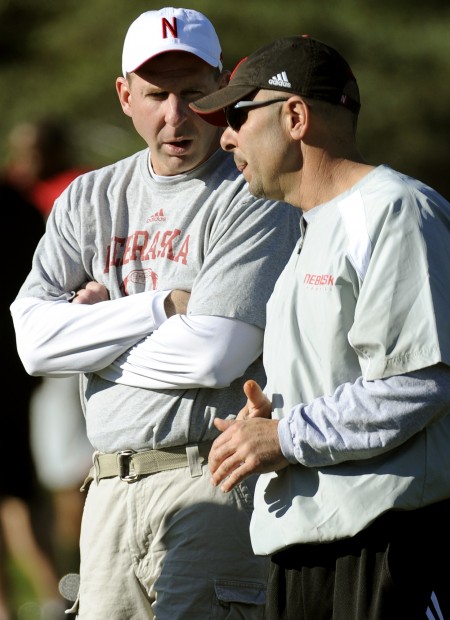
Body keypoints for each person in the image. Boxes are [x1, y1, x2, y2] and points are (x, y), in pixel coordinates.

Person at [10, 8, 300, 620]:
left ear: (222, 89)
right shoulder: (89, 196)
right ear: (124, 96)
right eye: (156, 94)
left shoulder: (252, 191)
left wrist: (91, 332)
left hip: (212, 480)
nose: (175, 115)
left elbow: (213, 353)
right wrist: (160, 307)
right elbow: (32, 345)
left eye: (194, 93)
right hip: (108, 488)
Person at [190, 35, 450, 619]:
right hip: (311, 552)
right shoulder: (311, 229)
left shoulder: (395, 211)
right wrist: (266, 422)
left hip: (393, 548)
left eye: (239, 115)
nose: (226, 136)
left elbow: (423, 381)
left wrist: (284, 437)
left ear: (295, 116)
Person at [5, 118, 94, 581]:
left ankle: (75, 572)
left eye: (32, 149)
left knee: (67, 469)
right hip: (44, 353)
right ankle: (69, 575)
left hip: (71, 345)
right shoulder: (23, 191)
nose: (24, 160)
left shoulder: (72, 189)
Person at [0, 179, 65, 620]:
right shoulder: (17, 205)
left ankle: (49, 601)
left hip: (10, 376)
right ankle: (52, 600)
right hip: (14, 376)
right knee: (21, 494)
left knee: (18, 496)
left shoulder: (13, 206)